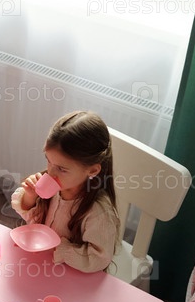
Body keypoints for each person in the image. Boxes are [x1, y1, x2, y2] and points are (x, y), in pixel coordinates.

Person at [11, 110, 120, 273]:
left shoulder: (98, 213)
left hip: (72, 273)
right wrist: (30, 197)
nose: (51, 173)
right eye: (49, 161)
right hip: (43, 264)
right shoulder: (57, 186)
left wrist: (60, 249)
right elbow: (34, 221)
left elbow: (99, 258)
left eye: (62, 169)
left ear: (92, 170)